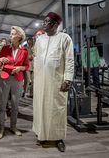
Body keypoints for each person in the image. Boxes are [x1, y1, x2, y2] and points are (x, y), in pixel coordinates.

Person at [33, 12, 74, 152]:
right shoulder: (40, 39)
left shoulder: (65, 38)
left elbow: (69, 60)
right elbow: (37, 58)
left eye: (46, 22)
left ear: (55, 24)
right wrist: (34, 78)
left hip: (57, 81)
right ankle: (42, 135)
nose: (43, 24)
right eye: (43, 22)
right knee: (41, 108)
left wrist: (68, 79)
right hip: (40, 81)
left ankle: (58, 138)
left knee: (57, 110)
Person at [0, 26, 29, 139]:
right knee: (2, 104)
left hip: (18, 79)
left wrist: (20, 68)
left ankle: (13, 126)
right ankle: (1, 128)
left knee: (15, 105)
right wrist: (0, 61)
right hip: (4, 78)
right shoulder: (5, 48)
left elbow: (27, 67)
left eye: (13, 34)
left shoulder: (24, 51)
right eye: (10, 33)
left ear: (19, 36)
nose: (10, 35)